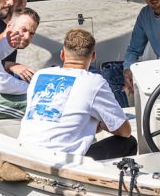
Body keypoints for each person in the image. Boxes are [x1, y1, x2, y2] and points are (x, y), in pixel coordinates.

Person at [18, 29, 137, 160]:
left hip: (25, 151)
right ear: (93, 57)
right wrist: (102, 125)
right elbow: (124, 131)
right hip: (61, 160)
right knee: (129, 142)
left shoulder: (40, 75)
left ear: (62, 55)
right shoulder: (94, 82)